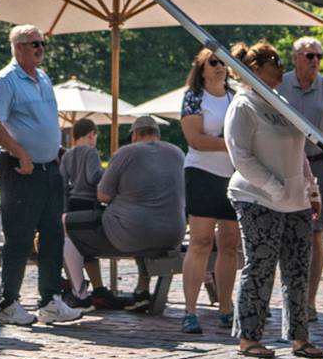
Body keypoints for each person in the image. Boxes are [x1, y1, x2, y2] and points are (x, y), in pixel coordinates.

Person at [226, 42, 323, 359]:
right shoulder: (243, 105)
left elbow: (299, 151)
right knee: (261, 265)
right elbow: (240, 155)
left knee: (298, 268)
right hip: (256, 197)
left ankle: (299, 336)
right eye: (274, 62)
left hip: (294, 199)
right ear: (254, 69)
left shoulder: (281, 101)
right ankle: (249, 336)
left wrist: (311, 189)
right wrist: (273, 186)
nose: (281, 67)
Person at [0, 25, 85, 327]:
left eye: (42, 43)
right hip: (20, 169)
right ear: (18, 47)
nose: (40, 48)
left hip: (47, 168)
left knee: (54, 233)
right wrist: (21, 152)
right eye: (34, 44)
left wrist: (51, 151)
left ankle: (49, 301)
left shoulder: (43, 78)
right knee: (19, 237)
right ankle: (8, 303)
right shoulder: (5, 81)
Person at [275, 37, 323, 313]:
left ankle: (310, 301)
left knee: (316, 233)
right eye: (309, 56)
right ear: (295, 58)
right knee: (281, 232)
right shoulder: (280, 85)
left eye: (319, 56)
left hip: (317, 166)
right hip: (283, 165)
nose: (315, 60)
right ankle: (285, 297)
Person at [63, 115, 187, 270]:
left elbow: (103, 196)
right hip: (173, 235)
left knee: (66, 223)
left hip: (130, 234)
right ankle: (142, 287)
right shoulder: (178, 153)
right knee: (137, 217)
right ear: (158, 134)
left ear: (134, 135)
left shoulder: (125, 153)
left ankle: (81, 289)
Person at [178, 47, 239, 335]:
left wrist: (225, 142)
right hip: (202, 173)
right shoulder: (193, 97)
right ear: (201, 68)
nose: (219, 67)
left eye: (224, 62)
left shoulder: (235, 96)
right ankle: (190, 310)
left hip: (234, 176)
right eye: (213, 62)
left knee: (229, 244)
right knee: (201, 241)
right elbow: (195, 139)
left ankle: (226, 308)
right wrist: (229, 143)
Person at [58, 119, 108, 306]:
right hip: (88, 203)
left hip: (71, 204)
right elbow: (93, 176)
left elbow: (62, 183)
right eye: (95, 136)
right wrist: (107, 175)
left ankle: (78, 287)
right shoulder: (91, 151)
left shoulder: (67, 155)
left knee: (74, 246)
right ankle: (94, 289)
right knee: (89, 247)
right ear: (91, 134)